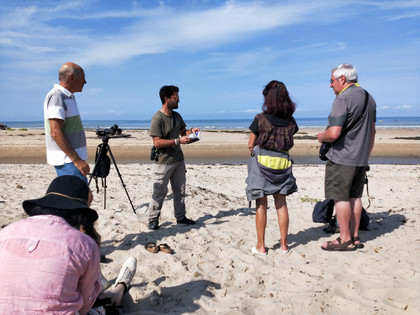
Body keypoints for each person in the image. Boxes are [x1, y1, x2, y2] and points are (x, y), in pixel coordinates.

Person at [0, 176, 137, 314]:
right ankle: (120, 288)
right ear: (81, 215)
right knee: (103, 308)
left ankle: (118, 290)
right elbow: (86, 304)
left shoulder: (5, 232)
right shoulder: (83, 243)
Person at [318, 64, 376, 251]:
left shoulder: (343, 98)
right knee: (355, 197)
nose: (330, 85)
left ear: (342, 79)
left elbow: (334, 133)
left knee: (340, 198)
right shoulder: (369, 97)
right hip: (361, 157)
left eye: (332, 80)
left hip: (342, 157)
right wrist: (365, 155)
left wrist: (321, 136)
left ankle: (344, 239)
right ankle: (355, 236)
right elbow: (372, 132)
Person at [246, 80, 299, 255]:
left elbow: (250, 144)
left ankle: (261, 246)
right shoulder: (291, 121)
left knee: (261, 204)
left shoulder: (260, 119)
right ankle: (284, 245)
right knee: (281, 204)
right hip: (283, 165)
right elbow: (290, 136)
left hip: (262, 164)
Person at [147, 85, 200, 230]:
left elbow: (183, 133)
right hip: (163, 162)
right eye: (176, 98)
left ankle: (181, 217)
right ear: (167, 99)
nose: (178, 101)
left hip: (179, 160)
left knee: (180, 191)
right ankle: (153, 219)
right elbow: (157, 143)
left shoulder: (177, 116)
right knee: (159, 192)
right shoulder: (157, 118)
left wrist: (191, 132)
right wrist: (178, 141)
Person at [44, 62, 92, 204]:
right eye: (82, 78)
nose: (85, 82)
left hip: (71, 159)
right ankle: (72, 226)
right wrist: (76, 161)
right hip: (67, 160)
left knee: (79, 197)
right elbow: (55, 132)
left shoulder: (68, 96)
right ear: (71, 78)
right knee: (81, 198)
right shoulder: (57, 96)